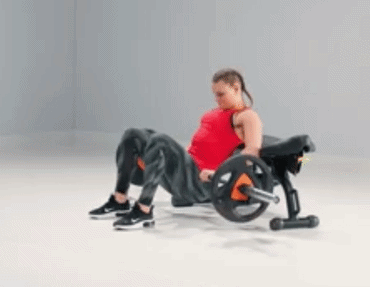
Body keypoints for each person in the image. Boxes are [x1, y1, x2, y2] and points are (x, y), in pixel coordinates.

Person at [88, 68, 263, 229]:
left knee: (160, 140)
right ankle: (120, 200)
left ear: (236, 88)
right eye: (214, 95)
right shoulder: (215, 112)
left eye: (221, 94)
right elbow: (198, 146)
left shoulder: (247, 116)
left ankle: (143, 210)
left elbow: (251, 155)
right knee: (132, 134)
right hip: (184, 173)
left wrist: (217, 173)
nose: (216, 99)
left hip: (201, 181)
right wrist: (163, 157)